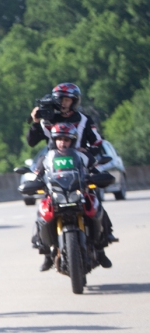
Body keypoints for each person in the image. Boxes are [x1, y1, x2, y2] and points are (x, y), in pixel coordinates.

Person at [28, 83, 116, 267]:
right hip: (55, 165)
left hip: (80, 163)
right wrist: (36, 121)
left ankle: (101, 246)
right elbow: (32, 141)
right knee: (45, 199)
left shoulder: (84, 119)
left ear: (74, 101)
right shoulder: (49, 118)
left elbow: (97, 142)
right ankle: (46, 248)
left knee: (93, 198)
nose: (64, 103)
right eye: (61, 99)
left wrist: (88, 150)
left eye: (67, 99)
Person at [34, 123, 112, 271]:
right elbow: (37, 175)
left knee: (97, 207)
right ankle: (46, 252)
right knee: (42, 213)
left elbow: (96, 169)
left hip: (79, 194)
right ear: (54, 140)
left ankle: (101, 250)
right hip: (56, 196)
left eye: (66, 139)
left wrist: (98, 177)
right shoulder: (46, 158)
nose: (62, 142)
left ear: (73, 141)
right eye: (59, 139)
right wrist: (35, 184)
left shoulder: (82, 155)